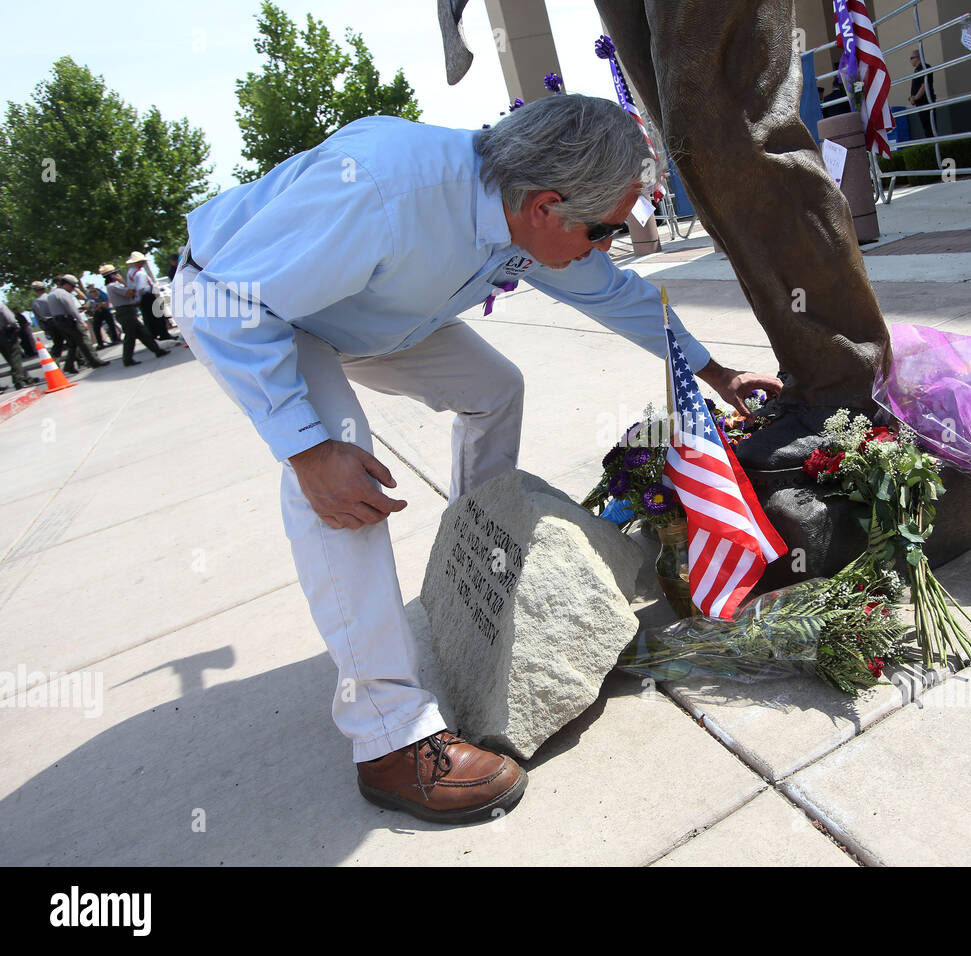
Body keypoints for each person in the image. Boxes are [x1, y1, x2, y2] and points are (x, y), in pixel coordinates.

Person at [175, 95, 781, 825]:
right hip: (264, 310)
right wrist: (306, 448)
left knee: (496, 389)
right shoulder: (379, 189)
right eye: (605, 230)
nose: (609, 245)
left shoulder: (523, 208)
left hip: (362, 310)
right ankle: (389, 735)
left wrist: (714, 372)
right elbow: (223, 300)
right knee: (342, 477)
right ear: (545, 207)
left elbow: (613, 294)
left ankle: (476, 556)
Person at [100, 264, 168, 367]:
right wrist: (123, 281)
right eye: (115, 273)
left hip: (127, 311)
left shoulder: (112, 286)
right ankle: (127, 359)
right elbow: (129, 294)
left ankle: (157, 350)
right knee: (130, 337)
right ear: (112, 276)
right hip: (125, 312)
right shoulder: (113, 286)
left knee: (142, 333)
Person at [46, 276, 108, 374]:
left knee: (72, 344)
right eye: (73, 286)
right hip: (69, 320)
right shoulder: (64, 294)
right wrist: (81, 321)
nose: (73, 288)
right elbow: (71, 309)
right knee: (84, 340)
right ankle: (95, 361)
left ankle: (69, 366)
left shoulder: (51, 294)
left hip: (59, 321)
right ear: (66, 284)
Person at [126, 251, 173, 341]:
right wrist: (139, 298)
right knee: (157, 316)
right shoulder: (139, 274)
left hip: (143, 298)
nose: (143, 263)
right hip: (147, 296)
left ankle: (154, 335)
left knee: (149, 317)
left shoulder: (130, 273)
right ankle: (163, 334)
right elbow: (141, 288)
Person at [1, 302, 37, 390]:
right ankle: (18, 381)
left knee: (11, 359)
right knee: (15, 357)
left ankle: (27, 378)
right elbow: (11, 319)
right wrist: (16, 326)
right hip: (5, 334)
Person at [907, 48, 936, 140]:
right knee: (926, 127)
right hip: (920, 104)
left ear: (917, 58)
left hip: (926, 102)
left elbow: (924, 86)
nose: (910, 60)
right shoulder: (917, 70)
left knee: (930, 127)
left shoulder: (924, 67)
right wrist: (912, 98)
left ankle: (934, 145)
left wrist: (915, 98)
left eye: (911, 58)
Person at [29, 281, 62, 357]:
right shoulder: (51, 297)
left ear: (35, 291)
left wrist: (44, 328)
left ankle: (55, 360)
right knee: (71, 341)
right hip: (59, 320)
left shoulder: (34, 303)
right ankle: (79, 360)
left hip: (48, 323)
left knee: (57, 343)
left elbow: (38, 318)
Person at [84, 283, 120, 348]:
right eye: (91, 291)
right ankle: (100, 343)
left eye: (94, 291)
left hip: (105, 310)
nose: (93, 292)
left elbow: (107, 302)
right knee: (96, 328)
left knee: (111, 324)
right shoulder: (89, 296)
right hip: (97, 312)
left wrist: (98, 304)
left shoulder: (101, 293)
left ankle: (115, 339)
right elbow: (88, 305)